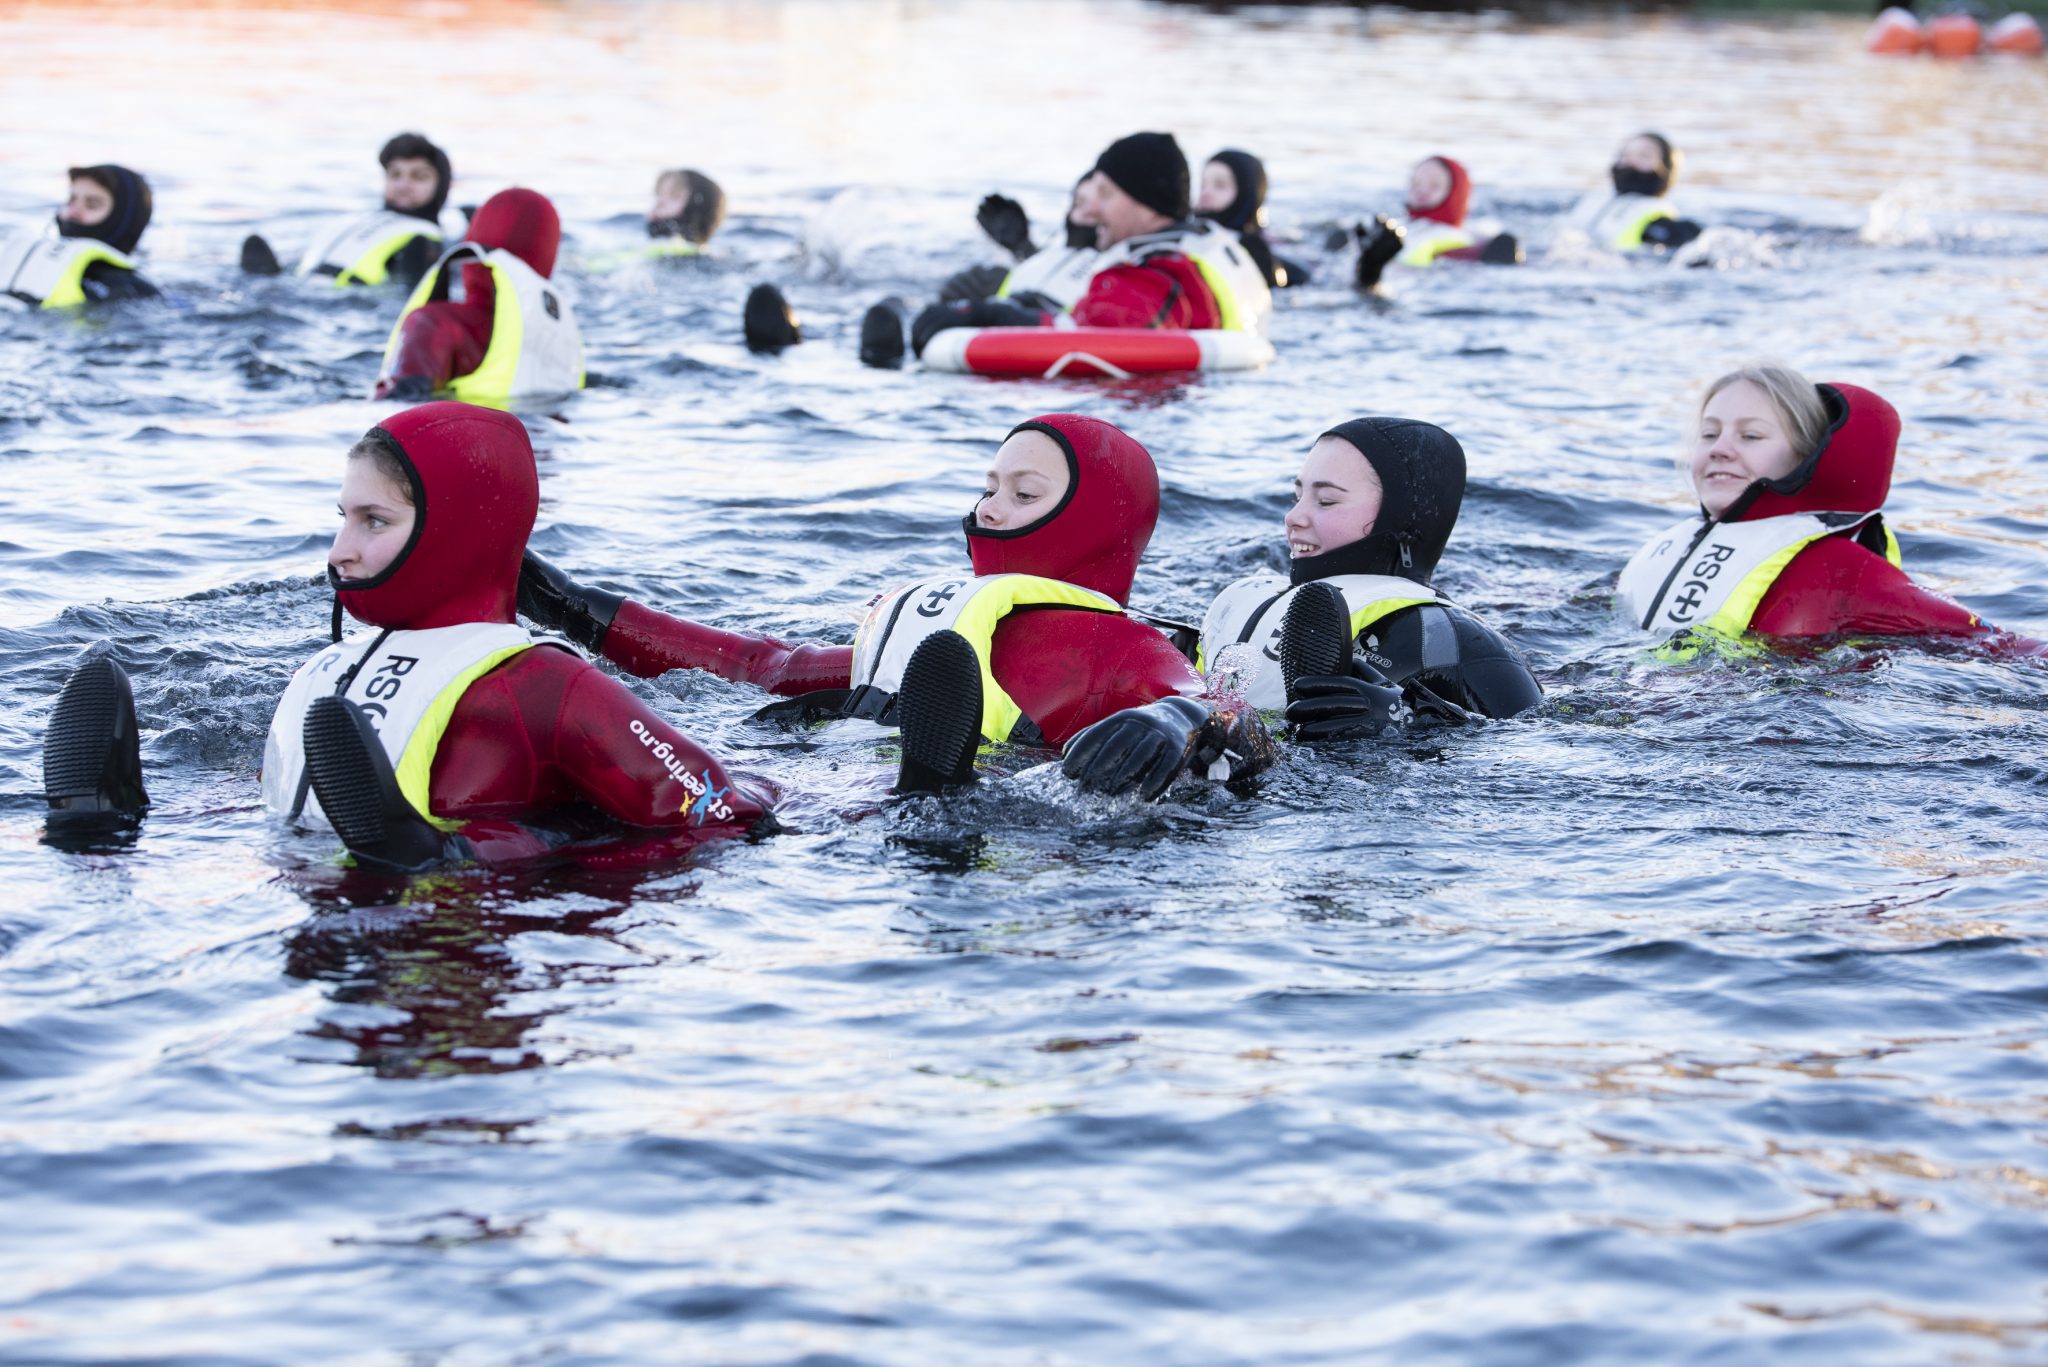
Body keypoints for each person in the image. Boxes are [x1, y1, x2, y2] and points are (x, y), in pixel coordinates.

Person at [43, 402, 776, 872]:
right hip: (342, 904)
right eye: (342, 517)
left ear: (456, 535)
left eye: (372, 522)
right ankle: (119, 823)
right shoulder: (331, 667)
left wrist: (535, 843)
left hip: (454, 928)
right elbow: (729, 803)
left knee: (541, 839)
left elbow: (717, 813)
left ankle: (436, 850)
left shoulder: (546, 686)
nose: (337, 550)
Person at [517, 414, 1276, 799]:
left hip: (1002, 800)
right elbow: (763, 666)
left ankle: (935, 791)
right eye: (988, 487)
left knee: (929, 809)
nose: (992, 510)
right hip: (828, 777)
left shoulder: (1128, 651)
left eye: (1025, 493)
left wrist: (1176, 718)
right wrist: (572, 607)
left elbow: (1228, 711)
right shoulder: (930, 621)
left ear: (1099, 522)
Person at [1620, 365, 2042, 653]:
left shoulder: (1840, 569)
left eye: (1751, 436)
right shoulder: (1670, 548)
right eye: (1709, 434)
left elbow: (1995, 643)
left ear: (1803, 459)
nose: (1721, 450)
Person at [1199, 419, 1544, 739]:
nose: (1293, 517)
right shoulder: (1244, 604)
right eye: (1297, 495)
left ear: (1401, 520)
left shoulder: (1450, 640)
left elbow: (1527, 741)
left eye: (1327, 500)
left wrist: (1404, 720)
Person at [862, 132, 1273, 369]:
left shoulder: (1157, 275)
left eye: (1106, 195)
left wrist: (989, 313)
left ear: (1144, 203)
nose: (1092, 211)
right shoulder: (1186, 257)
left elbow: (1097, 338)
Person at [373, 187, 584, 404]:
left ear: (474, 237)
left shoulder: (435, 323)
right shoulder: (560, 337)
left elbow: (394, 406)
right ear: (547, 255)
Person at [240, 132, 453, 287]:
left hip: (335, 297)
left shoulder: (422, 240)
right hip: (315, 291)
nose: (403, 185)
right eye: (395, 175)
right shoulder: (362, 221)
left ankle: (266, 283)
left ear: (441, 186)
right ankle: (269, 282)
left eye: (419, 177)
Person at [1351, 155, 1522, 291]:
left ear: (1457, 195)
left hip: (1416, 281)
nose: (1422, 191)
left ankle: (1370, 274)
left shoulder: (1471, 237)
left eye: (1435, 186)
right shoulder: (1394, 225)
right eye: (1416, 184)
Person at [1, 165, 157, 308]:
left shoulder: (132, 290)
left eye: (92, 204)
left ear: (124, 221)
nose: (72, 212)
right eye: (71, 200)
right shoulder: (30, 260)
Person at [1567, 132, 1703, 254]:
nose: (1630, 161)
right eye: (1625, 155)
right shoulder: (1593, 201)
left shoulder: (1659, 222)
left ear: (1667, 171)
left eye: (1644, 156)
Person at [1195, 148, 1309, 289]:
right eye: (1203, 185)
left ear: (1246, 193)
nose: (1206, 193)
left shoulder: (1256, 249)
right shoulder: (1190, 231)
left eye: (1220, 186)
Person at [645, 168, 727, 256]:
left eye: (674, 196)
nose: (659, 203)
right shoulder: (716, 254)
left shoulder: (663, 252)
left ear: (697, 207)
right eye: (659, 194)